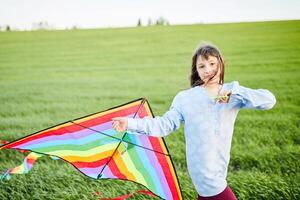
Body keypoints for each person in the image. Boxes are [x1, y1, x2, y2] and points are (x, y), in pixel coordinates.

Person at [112, 43, 276, 199]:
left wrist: (235, 91)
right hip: (206, 176)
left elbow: (269, 101)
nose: (208, 70)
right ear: (196, 70)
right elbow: (163, 125)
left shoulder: (232, 94)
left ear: (221, 64)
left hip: (218, 172)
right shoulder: (186, 98)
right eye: (202, 66)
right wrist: (129, 123)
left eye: (212, 64)